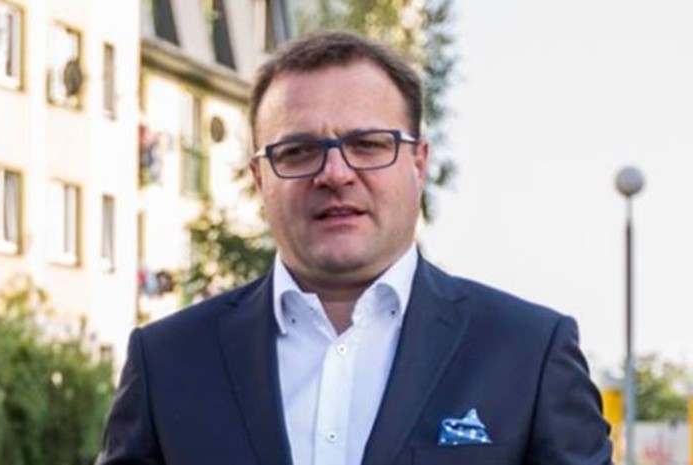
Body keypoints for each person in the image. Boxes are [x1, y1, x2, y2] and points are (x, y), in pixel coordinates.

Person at [97, 32, 613, 465]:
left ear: (418, 163)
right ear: (259, 178)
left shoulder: (528, 353)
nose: (335, 173)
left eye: (367, 145)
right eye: (298, 151)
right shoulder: (168, 362)